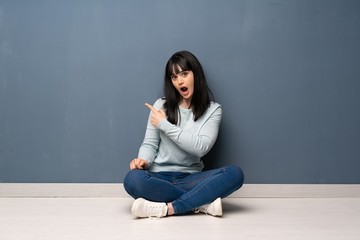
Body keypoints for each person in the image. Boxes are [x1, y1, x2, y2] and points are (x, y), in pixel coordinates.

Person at [123, 50, 244, 218]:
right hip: (158, 177)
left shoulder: (213, 110)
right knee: (132, 180)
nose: (179, 81)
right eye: (174, 77)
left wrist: (164, 124)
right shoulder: (160, 106)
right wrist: (143, 160)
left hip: (192, 179)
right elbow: (149, 144)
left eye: (184, 74)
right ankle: (201, 203)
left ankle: (168, 209)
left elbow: (201, 148)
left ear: (196, 75)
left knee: (235, 174)